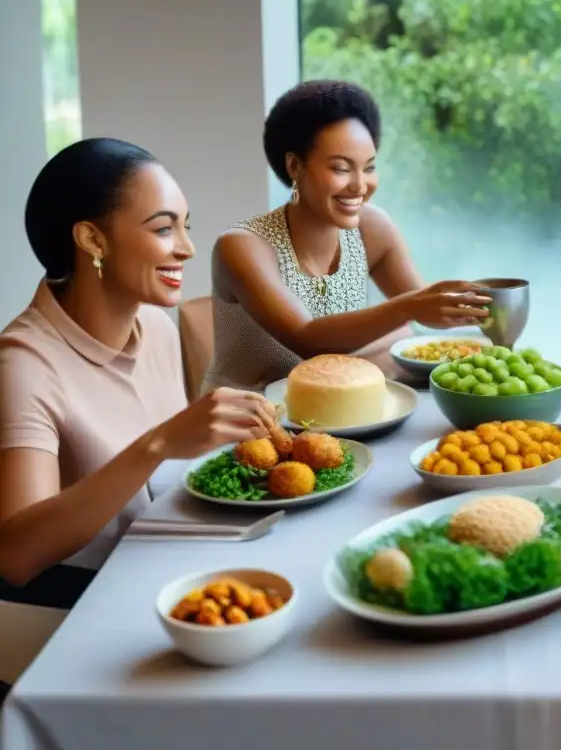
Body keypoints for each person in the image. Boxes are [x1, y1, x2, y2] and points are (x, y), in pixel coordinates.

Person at [0, 139, 276, 698]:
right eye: (163, 228)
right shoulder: (22, 364)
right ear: (91, 239)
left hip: (156, 582)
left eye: (186, 226)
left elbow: (170, 484)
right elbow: (17, 555)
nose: (188, 249)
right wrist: (157, 444)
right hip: (69, 623)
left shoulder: (155, 327)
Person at [203, 80, 492, 393]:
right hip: (244, 424)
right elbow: (307, 338)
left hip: (335, 414)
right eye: (341, 168)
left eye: (368, 167)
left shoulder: (372, 228)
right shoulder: (243, 246)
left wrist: (486, 316)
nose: (360, 185)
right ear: (295, 166)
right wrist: (408, 309)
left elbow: (428, 316)